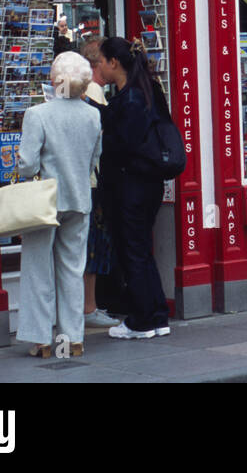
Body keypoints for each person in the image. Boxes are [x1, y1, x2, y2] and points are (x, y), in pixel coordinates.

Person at [14, 51, 103, 357]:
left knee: (39, 269)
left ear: (55, 80)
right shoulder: (93, 115)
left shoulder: (38, 115)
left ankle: (41, 340)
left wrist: (23, 166)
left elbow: (27, 165)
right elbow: (94, 159)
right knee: (71, 270)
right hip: (79, 199)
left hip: (45, 201)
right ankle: (72, 339)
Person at [99, 37, 172, 339]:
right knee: (141, 250)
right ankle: (156, 316)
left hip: (131, 187)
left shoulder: (129, 99)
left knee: (133, 252)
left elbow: (122, 145)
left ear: (114, 63)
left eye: (101, 61)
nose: (99, 67)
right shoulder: (148, 91)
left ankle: (141, 321)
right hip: (149, 184)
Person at [79, 40, 120, 329]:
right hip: (92, 181)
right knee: (92, 245)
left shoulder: (86, 93)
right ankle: (89, 306)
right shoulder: (94, 93)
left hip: (84, 180)